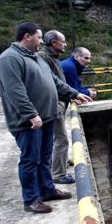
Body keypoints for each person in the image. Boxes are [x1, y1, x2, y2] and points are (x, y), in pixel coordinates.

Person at [0, 22, 92, 213]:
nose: (42, 40)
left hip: (47, 117)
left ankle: (47, 189)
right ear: (27, 36)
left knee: (44, 157)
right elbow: (15, 91)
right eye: (39, 37)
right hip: (29, 122)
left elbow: (54, 82)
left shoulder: (36, 57)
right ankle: (31, 199)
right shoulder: (9, 59)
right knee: (30, 160)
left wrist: (74, 93)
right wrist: (31, 114)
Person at [38, 30, 74, 185]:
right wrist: (73, 94)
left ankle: (59, 165)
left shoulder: (52, 57)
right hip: (54, 104)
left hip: (58, 102)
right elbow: (52, 82)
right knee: (61, 139)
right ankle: (58, 174)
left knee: (57, 139)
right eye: (63, 41)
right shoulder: (43, 57)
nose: (65, 44)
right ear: (54, 42)